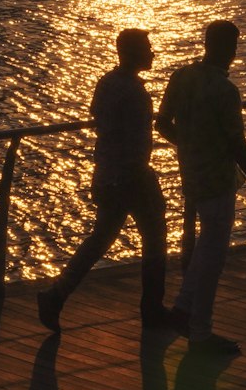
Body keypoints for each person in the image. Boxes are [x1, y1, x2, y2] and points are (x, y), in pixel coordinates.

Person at [37, 29, 177, 333]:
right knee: (154, 237)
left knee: (101, 238)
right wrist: (139, 172)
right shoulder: (133, 92)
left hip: (107, 173)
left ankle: (56, 295)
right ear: (134, 53)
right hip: (131, 175)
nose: (153, 53)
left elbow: (100, 121)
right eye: (148, 48)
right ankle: (152, 308)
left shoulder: (107, 83)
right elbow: (135, 141)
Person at [156, 19, 246, 356]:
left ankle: (184, 309)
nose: (235, 53)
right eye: (234, 46)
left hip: (191, 176)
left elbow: (162, 123)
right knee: (213, 258)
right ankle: (200, 331)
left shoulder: (181, 77)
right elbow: (238, 145)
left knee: (204, 251)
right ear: (225, 47)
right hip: (218, 182)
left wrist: (189, 146)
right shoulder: (226, 91)